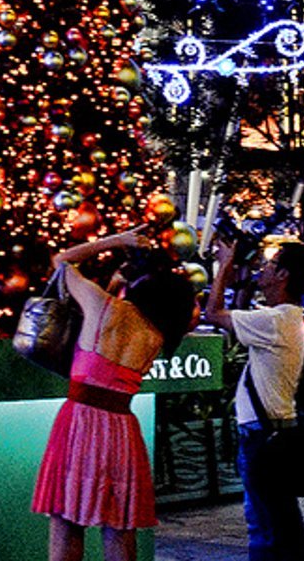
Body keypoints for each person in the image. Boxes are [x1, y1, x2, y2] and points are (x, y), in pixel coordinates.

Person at [32, 229, 196, 561]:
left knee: (66, 520)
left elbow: (61, 261)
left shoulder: (103, 306)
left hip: (80, 421)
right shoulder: (156, 335)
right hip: (121, 430)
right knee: (119, 525)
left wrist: (118, 241)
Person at [206, 235, 304, 561]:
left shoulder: (275, 320)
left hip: (262, 436)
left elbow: (213, 313)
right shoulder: (283, 318)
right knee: (282, 521)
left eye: (270, 264)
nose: (263, 267)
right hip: (275, 431)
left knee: (265, 525)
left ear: (284, 275)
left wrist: (224, 267)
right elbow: (235, 315)